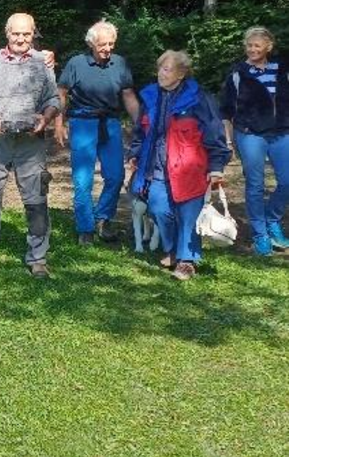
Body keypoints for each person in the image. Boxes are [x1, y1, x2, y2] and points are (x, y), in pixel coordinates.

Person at [0, 11, 63, 277]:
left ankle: (38, 258)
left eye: (26, 34)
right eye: (16, 33)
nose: (21, 39)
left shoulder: (42, 62)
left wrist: (46, 119)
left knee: (36, 201)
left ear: (33, 34)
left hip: (30, 143)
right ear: (7, 33)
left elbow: (53, 99)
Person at [129, 49, 227, 280]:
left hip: (190, 167)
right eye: (160, 69)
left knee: (188, 215)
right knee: (157, 207)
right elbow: (141, 130)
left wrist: (216, 166)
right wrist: (134, 153)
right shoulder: (151, 96)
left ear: (181, 74)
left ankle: (186, 260)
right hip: (157, 166)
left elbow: (214, 132)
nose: (161, 74)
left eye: (167, 69)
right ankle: (173, 248)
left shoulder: (199, 98)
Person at [57, 20, 141, 244]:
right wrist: (59, 123)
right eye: (103, 44)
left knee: (116, 175)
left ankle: (103, 218)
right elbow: (61, 93)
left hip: (110, 122)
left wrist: (141, 123)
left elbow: (128, 95)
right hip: (82, 122)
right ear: (91, 44)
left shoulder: (119, 63)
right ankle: (85, 228)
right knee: (82, 178)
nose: (107, 49)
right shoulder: (76, 63)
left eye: (111, 44)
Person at [219, 26, 289, 255]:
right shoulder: (238, 73)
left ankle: (272, 220)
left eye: (257, 45)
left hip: (282, 133)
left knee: (288, 181)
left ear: (268, 46)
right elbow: (226, 110)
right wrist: (228, 141)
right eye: (249, 45)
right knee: (255, 186)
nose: (252, 49)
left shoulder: (283, 68)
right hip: (250, 135)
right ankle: (260, 235)